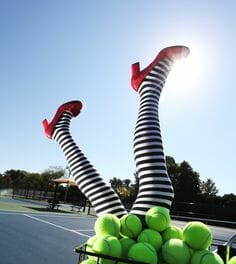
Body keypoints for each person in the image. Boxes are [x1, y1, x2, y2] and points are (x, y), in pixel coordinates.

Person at [42, 45, 189, 223]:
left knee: (157, 192)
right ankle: (59, 131)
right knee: (154, 194)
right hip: (137, 247)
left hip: (128, 249)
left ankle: (59, 132)